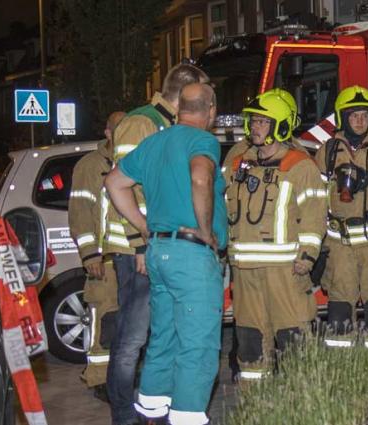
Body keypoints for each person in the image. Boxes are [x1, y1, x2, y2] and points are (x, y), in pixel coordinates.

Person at [105, 82, 227, 425]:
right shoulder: (202, 140)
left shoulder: (154, 141)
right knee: (197, 346)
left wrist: (144, 226)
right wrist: (205, 230)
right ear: (212, 110)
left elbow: (114, 182)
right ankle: (187, 417)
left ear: (177, 110)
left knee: (163, 339)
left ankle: (152, 415)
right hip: (191, 254)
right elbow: (201, 179)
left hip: (159, 252)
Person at [223, 90, 326, 381]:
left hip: (285, 271)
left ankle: (300, 406)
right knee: (250, 342)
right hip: (244, 272)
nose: (254, 127)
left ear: (280, 125)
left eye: (262, 122)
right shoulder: (236, 164)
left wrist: (307, 255)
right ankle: (256, 407)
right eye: (253, 121)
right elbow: (221, 205)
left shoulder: (300, 165)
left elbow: (314, 214)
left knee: (293, 337)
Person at [314, 85, 368, 346]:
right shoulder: (327, 151)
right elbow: (316, 199)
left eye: (365, 115)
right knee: (339, 307)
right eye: (354, 115)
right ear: (343, 118)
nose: (360, 121)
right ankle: (343, 367)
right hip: (340, 243)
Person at [68, 111, 125, 401]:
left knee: (127, 322)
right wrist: (90, 254)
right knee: (104, 320)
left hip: (128, 256)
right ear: (107, 132)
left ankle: (120, 373)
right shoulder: (90, 166)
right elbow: (80, 213)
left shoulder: (133, 161)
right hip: (104, 260)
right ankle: (98, 378)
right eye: (118, 129)